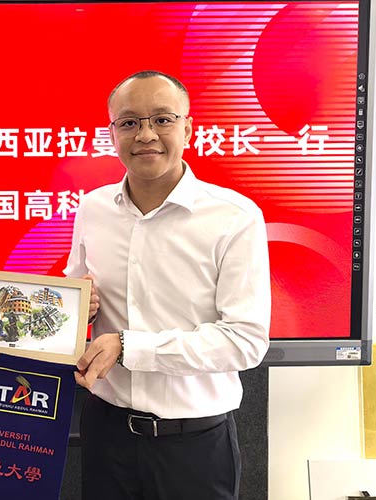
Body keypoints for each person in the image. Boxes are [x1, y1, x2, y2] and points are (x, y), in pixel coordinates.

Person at [65, 70, 271, 500]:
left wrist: (129, 346)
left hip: (194, 445)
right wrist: (77, 310)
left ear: (188, 128)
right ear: (112, 133)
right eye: (129, 122)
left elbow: (245, 341)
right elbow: (76, 298)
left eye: (162, 119)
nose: (146, 135)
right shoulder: (93, 208)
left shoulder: (234, 217)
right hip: (106, 433)